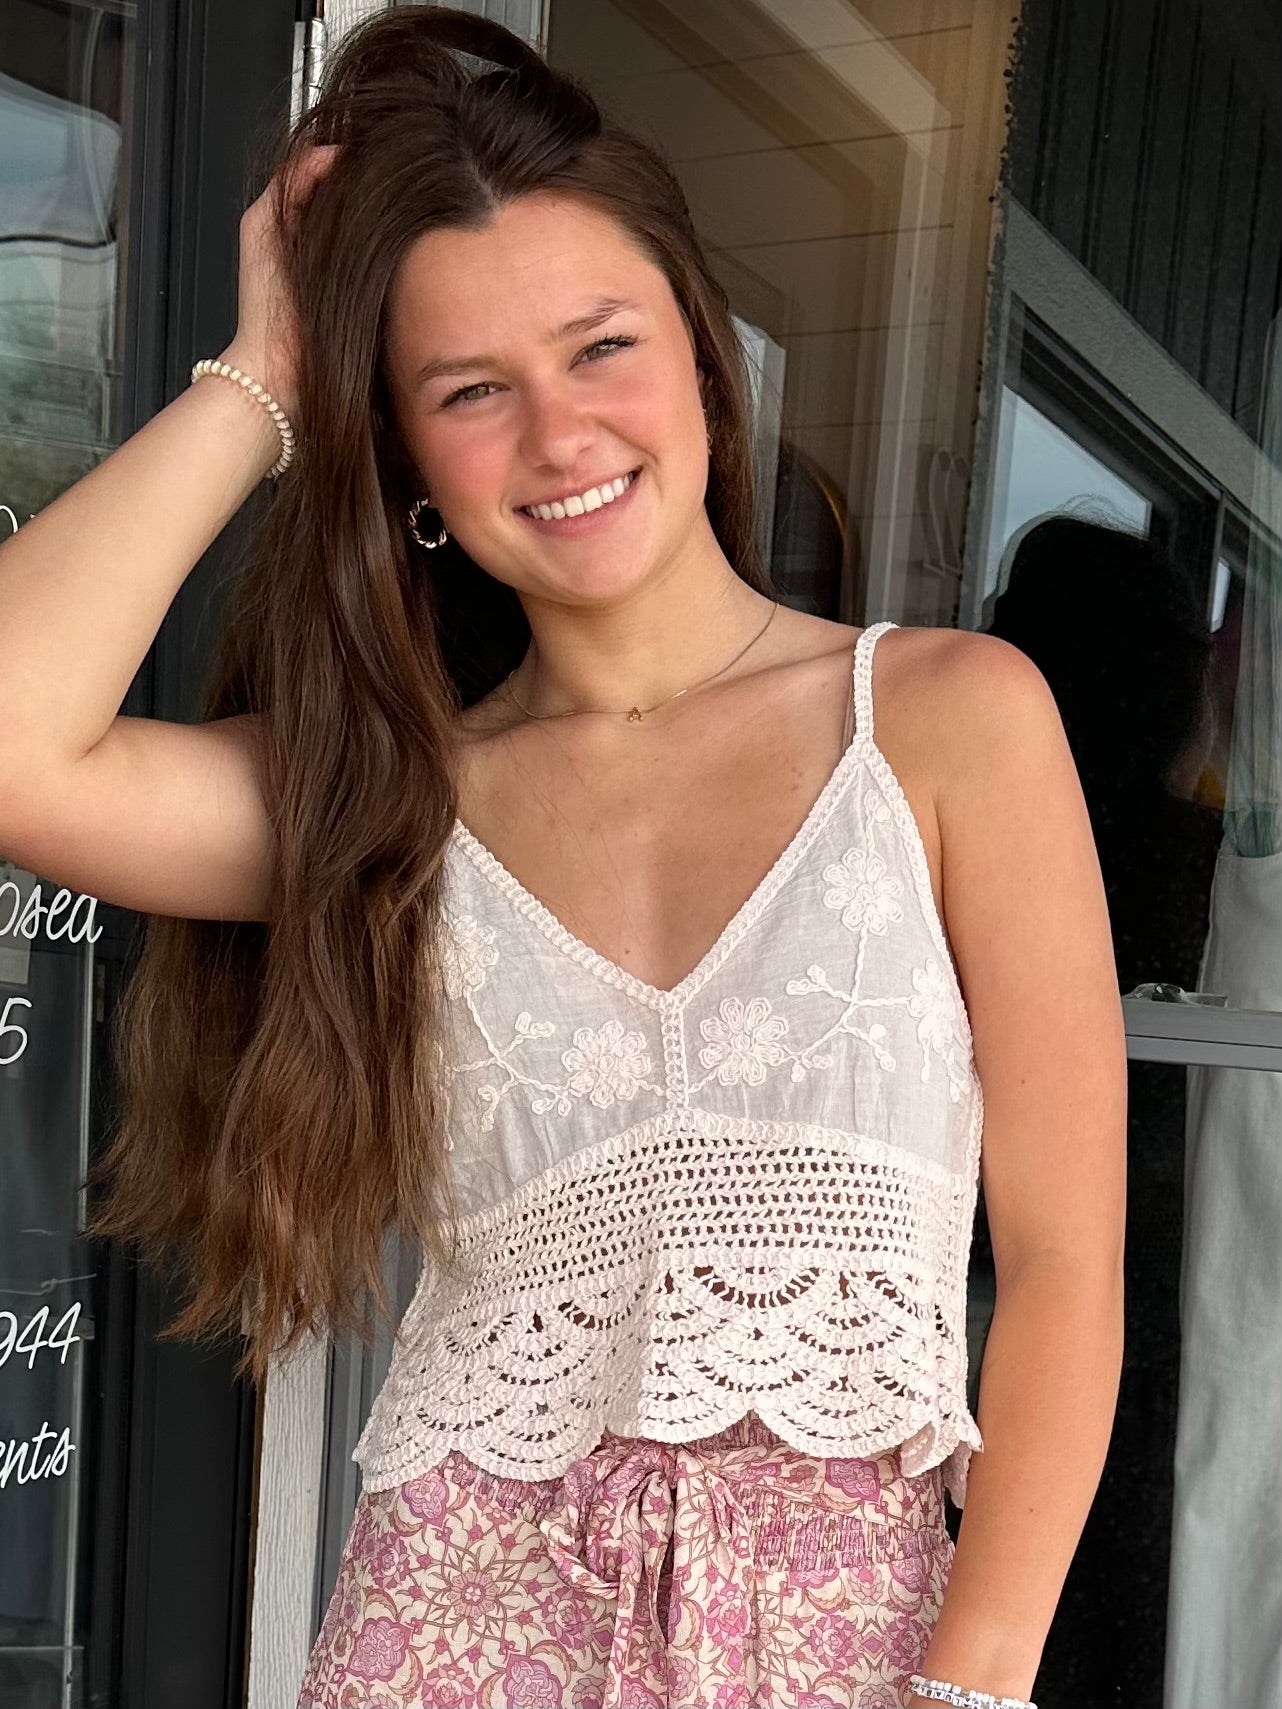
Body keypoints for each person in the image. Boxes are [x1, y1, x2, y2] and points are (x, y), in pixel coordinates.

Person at [0, 8, 1127, 1707]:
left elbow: (1062, 1267)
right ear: (409, 458)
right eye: (470, 390)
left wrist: (972, 1682)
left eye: (602, 347)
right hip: (454, 1630)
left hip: (854, 1644)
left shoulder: (947, 719)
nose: (560, 434)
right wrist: (268, 373)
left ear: (699, 353)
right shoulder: (392, 797)